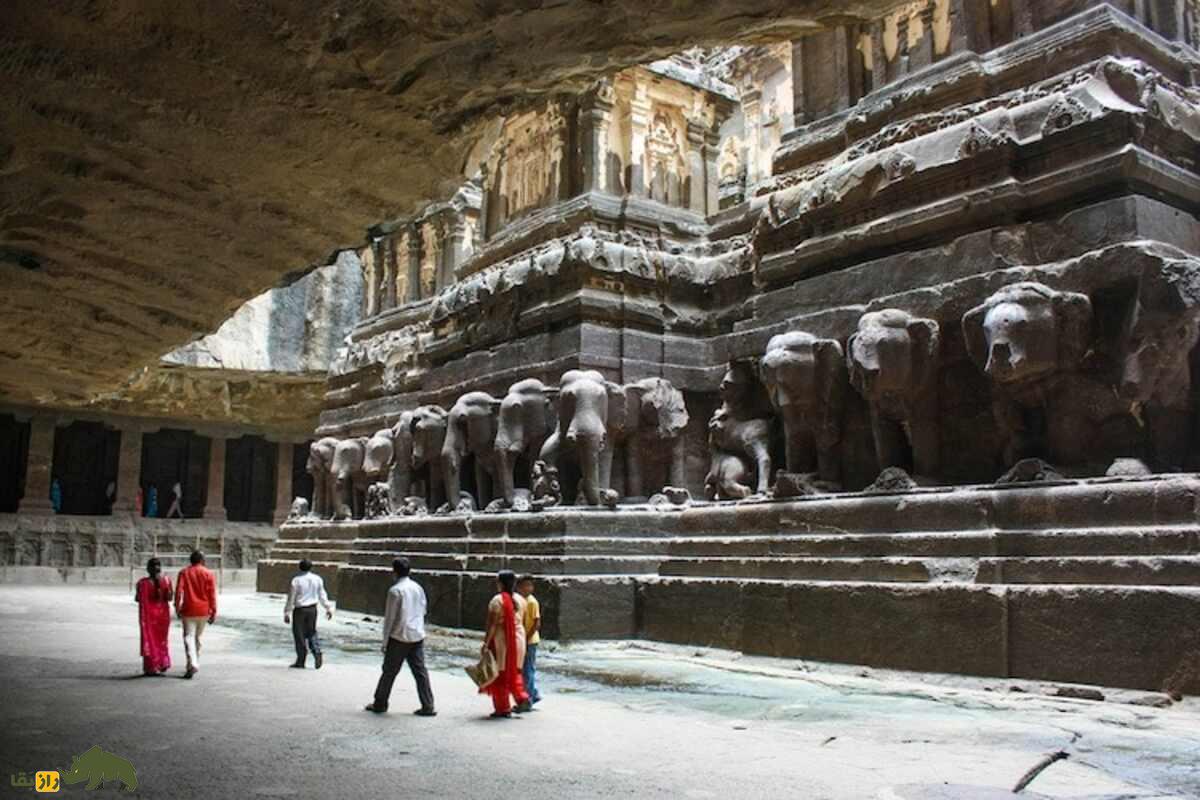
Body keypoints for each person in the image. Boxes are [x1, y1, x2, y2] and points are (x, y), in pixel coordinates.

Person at [364, 558, 436, 716]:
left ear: (394, 572)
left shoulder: (395, 591)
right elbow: (423, 609)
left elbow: (390, 618)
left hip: (399, 636)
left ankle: (380, 703)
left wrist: (385, 641)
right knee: (420, 671)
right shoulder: (418, 587)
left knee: (389, 671)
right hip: (417, 635)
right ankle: (428, 705)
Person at [481, 569, 531, 718]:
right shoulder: (521, 599)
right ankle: (521, 696)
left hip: (502, 641)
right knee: (515, 671)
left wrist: (485, 643)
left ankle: (502, 708)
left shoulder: (497, 601)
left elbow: (492, 625)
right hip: (519, 639)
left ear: (500, 583)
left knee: (500, 674)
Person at [175, 550, 217, 679]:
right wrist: (213, 611)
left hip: (188, 610)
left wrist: (177, 607)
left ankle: (192, 663)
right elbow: (212, 595)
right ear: (202, 560)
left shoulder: (184, 573)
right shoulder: (208, 573)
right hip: (204, 610)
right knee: (197, 638)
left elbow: (178, 591)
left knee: (189, 637)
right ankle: (193, 663)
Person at [284, 559, 333, 669]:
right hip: (312, 609)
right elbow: (322, 595)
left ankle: (301, 660)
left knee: (299, 634)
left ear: (299, 567)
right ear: (311, 567)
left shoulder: (296, 580)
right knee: (311, 632)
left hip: (300, 610)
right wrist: (328, 608)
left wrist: (287, 612)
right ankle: (317, 651)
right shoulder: (317, 579)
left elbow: (291, 598)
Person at [135, 558, 173, 676]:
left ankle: (152, 667)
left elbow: (137, 598)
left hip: (148, 617)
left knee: (150, 640)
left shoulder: (142, 583)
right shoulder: (166, 580)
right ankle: (163, 663)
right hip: (163, 616)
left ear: (148, 569)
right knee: (162, 641)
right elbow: (169, 598)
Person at [517, 574, 542, 705]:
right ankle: (534, 693)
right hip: (524, 639)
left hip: (530, 641)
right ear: (518, 587)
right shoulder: (521, 600)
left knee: (528, 670)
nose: (528, 588)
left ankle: (529, 699)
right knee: (525, 669)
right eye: (525, 585)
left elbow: (537, 623)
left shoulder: (532, 602)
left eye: (530, 585)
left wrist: (526, 638)